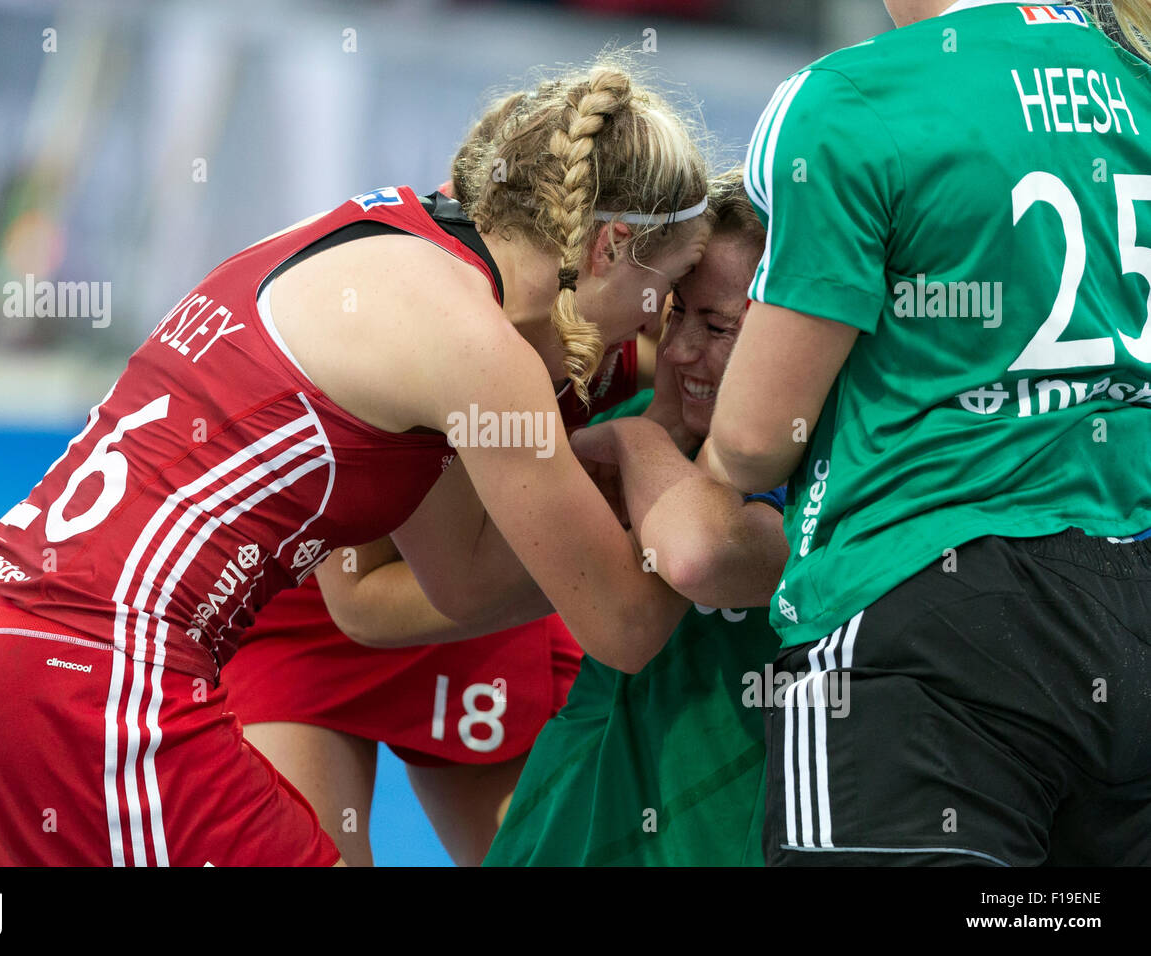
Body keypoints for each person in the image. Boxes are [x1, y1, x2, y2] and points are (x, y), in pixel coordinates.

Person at [0, 56, 714, 865]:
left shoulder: (384, 238)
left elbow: (458, 580)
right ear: (609, 247)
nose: (662, 332)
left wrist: (590, 507)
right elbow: (628, 626)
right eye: (670, 292)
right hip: (99, 680)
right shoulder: (476, 345)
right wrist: (651, 449)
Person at [705, 0, 1151, 865]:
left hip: (922, 618)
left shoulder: (852, 98)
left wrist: (693, 453)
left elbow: (759, 438)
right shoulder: (1133, 69)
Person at [219, 93, 649, 868]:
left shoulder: (637, 315)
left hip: (474, 613)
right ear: (605, 249)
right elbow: (363, 606)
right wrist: (606, 560)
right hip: (320, 620)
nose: (689, 334)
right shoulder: (437, 323)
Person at [484, 169, 790, 866]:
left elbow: (707, 558)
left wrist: (643, 438)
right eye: (675, 312)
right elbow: (465, 588)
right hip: (573, 816)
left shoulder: (837, 470)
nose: (678, 350)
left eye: (717, 326)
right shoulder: (625, 420)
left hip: (721, 826)